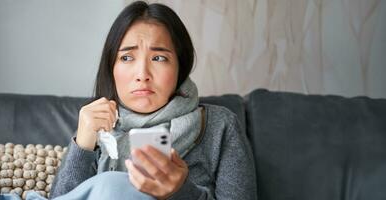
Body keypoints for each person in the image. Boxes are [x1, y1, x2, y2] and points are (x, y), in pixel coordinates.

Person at [48, 1, 257, 200]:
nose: (142, 74)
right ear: (111, 68)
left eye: (158, 58)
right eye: (127, 57)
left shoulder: (220, 126)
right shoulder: (95, 126)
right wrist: (83, 145)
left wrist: (179, 192)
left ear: (179, 68)